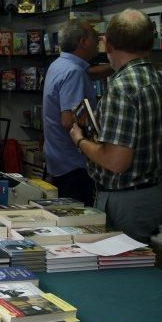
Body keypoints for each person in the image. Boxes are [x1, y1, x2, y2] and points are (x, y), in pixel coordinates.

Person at [71, 9, 162, 243]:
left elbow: (116, 161)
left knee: (122, 270)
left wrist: (80, 140)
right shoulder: (160, 80)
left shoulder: (121, 88)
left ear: (107, 45)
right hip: (153, 192)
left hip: (125, 199)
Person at [42, 20, 100, 206]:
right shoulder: (74, 72)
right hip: (74, 164)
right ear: (83, 42)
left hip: (57, 158)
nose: (99, 40)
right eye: (94, 36)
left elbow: (90, 73)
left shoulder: (58, 64)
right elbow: (69, 120)